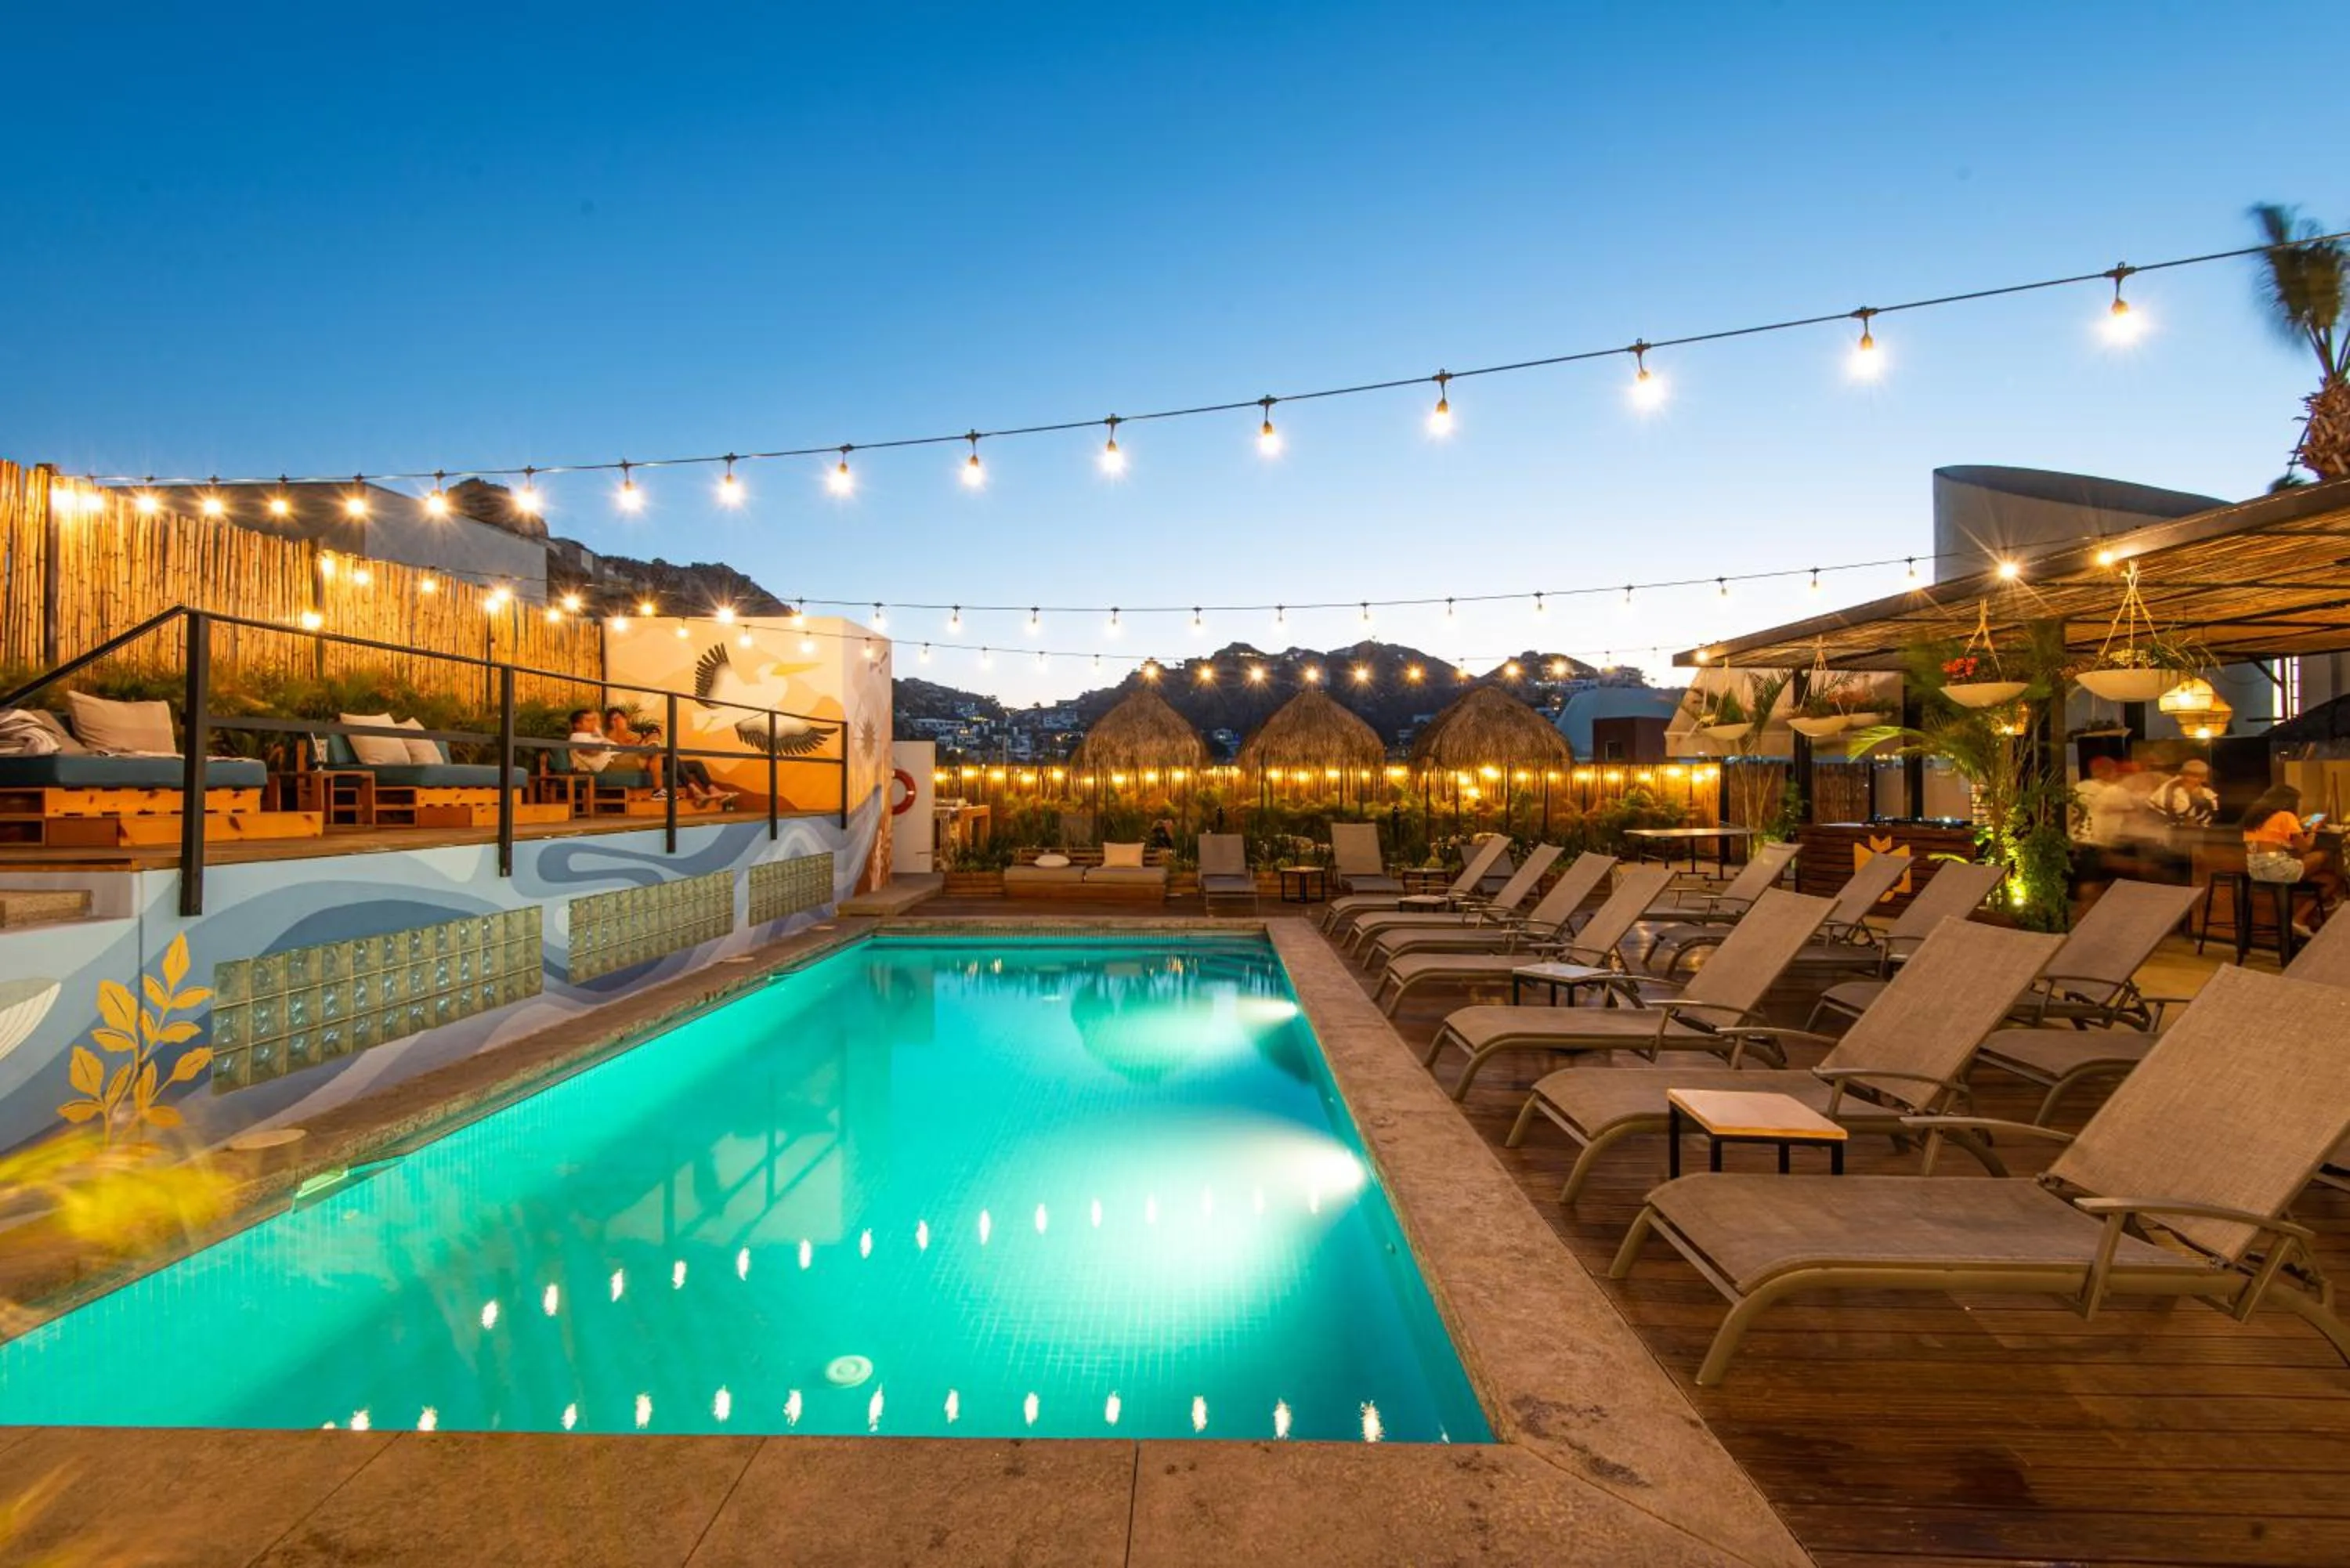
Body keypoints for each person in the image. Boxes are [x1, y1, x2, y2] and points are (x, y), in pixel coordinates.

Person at [2241, 784, 2341, 923]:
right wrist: (2312, 829)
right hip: (2278, 871)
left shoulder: (2255, 819)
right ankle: (2301, 918)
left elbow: (2275, 836)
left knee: (2330, 880)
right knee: (2323, 855)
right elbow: (2305, 848)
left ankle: (2309, 911)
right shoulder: (2286, 816)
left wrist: (2298, 825)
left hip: (2256, 871)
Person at [2153, 759, 2218, 827]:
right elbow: (2160, 811)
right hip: (2164, 826)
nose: (2194, 779)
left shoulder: (2207, 793)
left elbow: (2212, 813)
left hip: (2195, 829)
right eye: (2191, 775)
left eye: (2199, 776)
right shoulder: (2170, 788)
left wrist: (2199, 822)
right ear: (2184, 775)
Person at [566, 709, 616, 775]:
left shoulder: (593, 735)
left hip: (616, 759)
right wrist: (604, 743)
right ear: (577, 725)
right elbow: (592, 751)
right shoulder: (576, 737)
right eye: (588, 721)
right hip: (607, 764)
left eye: (593, 720)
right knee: (634, 758)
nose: (593, 723)